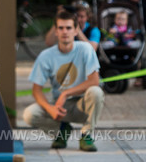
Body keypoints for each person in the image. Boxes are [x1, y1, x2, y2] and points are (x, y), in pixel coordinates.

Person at [23, 10, 104, 152]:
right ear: (56, 31)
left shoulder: (86, 49)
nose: (64, 32)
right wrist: (50, 109)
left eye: (68, 28)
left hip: (82, 105)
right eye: (61, 28)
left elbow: (94, 81)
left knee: (96, 92)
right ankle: (61, 131)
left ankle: (86, 135)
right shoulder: (46, 56)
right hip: (60, 108)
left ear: (75, 30)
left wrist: (65, 93)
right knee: (29, 114)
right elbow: (36, 90)